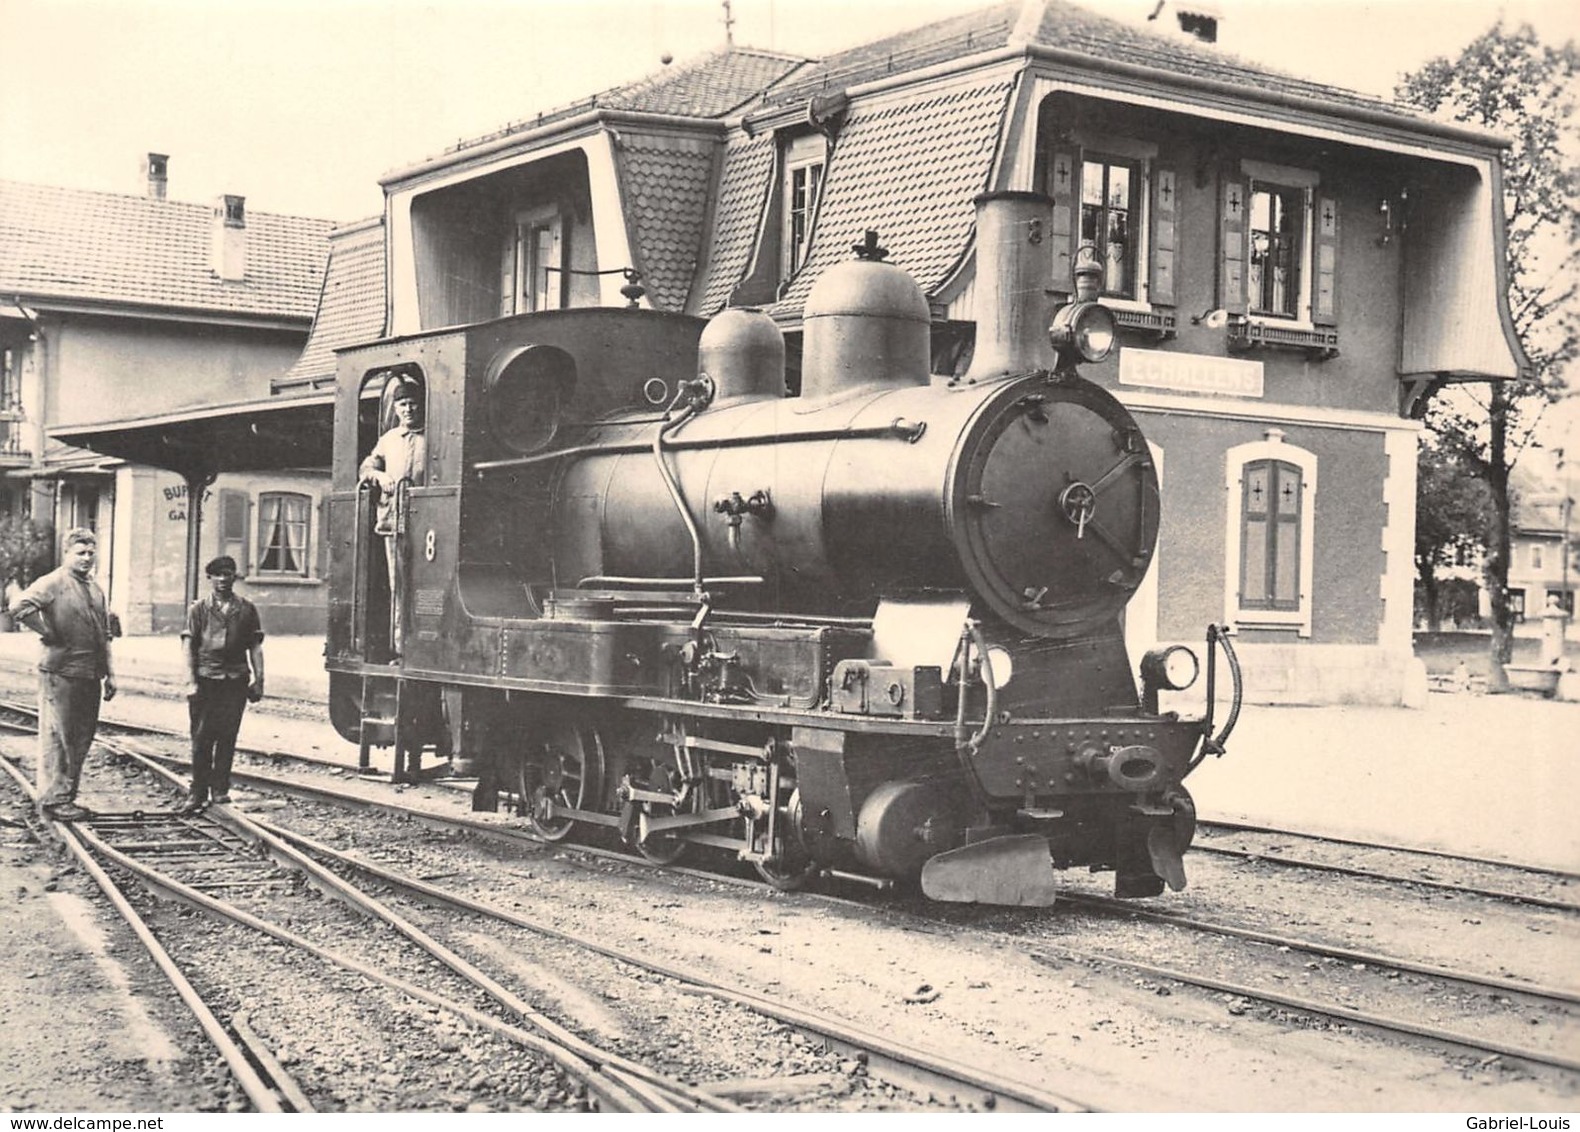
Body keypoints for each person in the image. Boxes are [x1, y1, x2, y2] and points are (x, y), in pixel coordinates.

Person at [9, 528, 116, 821]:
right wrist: (47, 631)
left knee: (82, 736)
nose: (86, 558)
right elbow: (18, 606)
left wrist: (111, 674)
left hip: (89, 672)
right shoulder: (53, 582)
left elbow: (104, 634)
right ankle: (55, 800)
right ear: (67, 554)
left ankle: (66, 796)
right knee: (61, 736)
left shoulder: (95, 588)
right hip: (60, 671)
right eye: (80, 553)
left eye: (91, 552)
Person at [179, 555, 264, 813]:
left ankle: (220, 789)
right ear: (210, 578)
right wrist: (190, 681)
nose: (223, 580)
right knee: (202, 736)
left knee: (228, 735)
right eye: (218, 575)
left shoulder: (246, 609)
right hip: (206, 680)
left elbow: (255, 647)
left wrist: (260, 679)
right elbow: (188, 646)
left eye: (228, 575)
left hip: (235, 680)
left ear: (235, 577)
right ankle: (197, 791)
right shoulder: (199, 610)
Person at [358, 375, 426, 657]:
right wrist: (379, 475)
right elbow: (366, 467)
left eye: (412, 404)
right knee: (398, 584)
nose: (408, 410)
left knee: (422, 585)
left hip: (424, 522)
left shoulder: (430, 436)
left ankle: (420, 645)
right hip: (393, 522)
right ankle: (400, 648)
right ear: (396, 409)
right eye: (402, 404)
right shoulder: (387, 440)